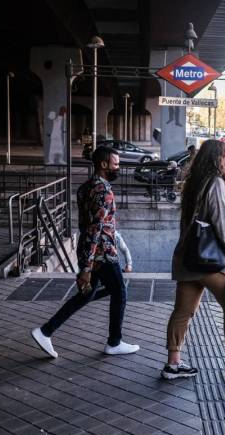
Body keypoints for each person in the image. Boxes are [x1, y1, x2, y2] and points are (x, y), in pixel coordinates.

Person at [162, 139, 225, 379]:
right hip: (210, 262)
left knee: (182, 312)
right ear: (218, 158)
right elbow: (223, 225)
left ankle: (173, 364)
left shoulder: (193, 182)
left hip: (189, 259)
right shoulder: (216, 182)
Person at [31, 146, 139, 358]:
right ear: (103, 164)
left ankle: (45, 331)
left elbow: (86, 226)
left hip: (89, 250)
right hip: (102, 253)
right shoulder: (104, 192)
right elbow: (95, 228)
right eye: (116, 164)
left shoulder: (85, 187)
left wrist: (86, 263)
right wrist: (87, 268)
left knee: (86, 295)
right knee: (120, 292)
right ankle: (114, 343)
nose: (118, 167)